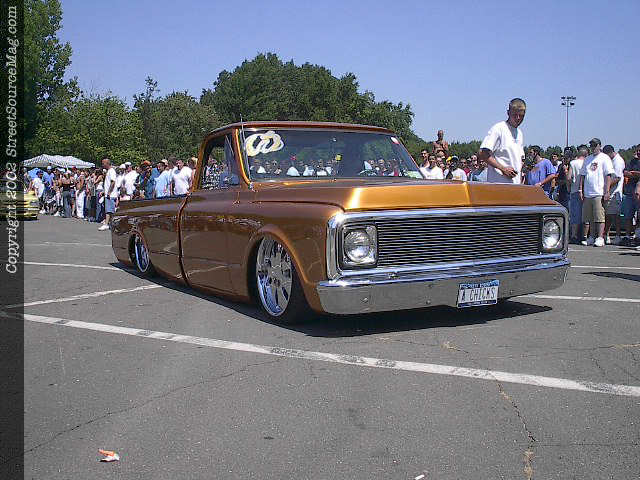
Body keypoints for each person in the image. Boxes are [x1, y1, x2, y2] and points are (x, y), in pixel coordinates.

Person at [478, 98, 526, 184]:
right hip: (498, 186)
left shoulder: (519, 133)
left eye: (521, 115)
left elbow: (519, 161)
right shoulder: (499, 129)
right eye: (515, 115)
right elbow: (482, 153)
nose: (518, 118)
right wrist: (502, 168)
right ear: (508, 113)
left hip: (515, 186)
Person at [579, 138, 614, 247]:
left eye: (595, 145)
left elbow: (608, 175)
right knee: (589, 217)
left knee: (599, 217)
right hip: (588, 193)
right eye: (591, 145)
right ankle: (591, 236)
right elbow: (583, 175)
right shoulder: (587, 159)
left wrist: (607, 191)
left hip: (599, 192)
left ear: (599, 146)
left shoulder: (604, 158)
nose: (593, 147)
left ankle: (600, 237)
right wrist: (581, 190)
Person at [602, 145, 625, 244]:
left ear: (610, 153)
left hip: (615, 192)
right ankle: (606, 234)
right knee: (608, 215)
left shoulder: (618, 161)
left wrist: (605, 188)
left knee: (615, 215)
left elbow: (617, 178)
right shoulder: (611, 161)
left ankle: (618, 235)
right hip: (610, 192)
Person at [568, 145, 587, 242]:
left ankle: (574, 235)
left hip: (575, 190)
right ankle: (584, 235)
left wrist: (568, 187)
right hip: (586, 192)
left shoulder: (573, 163)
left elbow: (569, 178)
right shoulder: (587, 163)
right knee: (585, 214)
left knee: (575, 214)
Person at [621, 148, 640, 246]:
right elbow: (625, 173)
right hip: (629, 193)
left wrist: (634, 173)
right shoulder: (632, 162)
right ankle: (627, 236)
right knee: (628, 215)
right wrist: (635, 174)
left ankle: (637, 236)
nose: (638, 152)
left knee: (638, 216)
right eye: (637, 150)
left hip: (638, 194)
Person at [99, 158, 118, 231]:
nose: (102, 165)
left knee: (109, 210)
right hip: (108, 194)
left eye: (103, 163)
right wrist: (104, 191)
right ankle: (110, 224)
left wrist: (109, 192)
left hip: (111, 195)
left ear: (107, 163)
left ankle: (106, 224)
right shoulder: (109, 171)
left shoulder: (111, 171)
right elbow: (108, 183)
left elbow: (113, 182)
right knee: (109, 210)